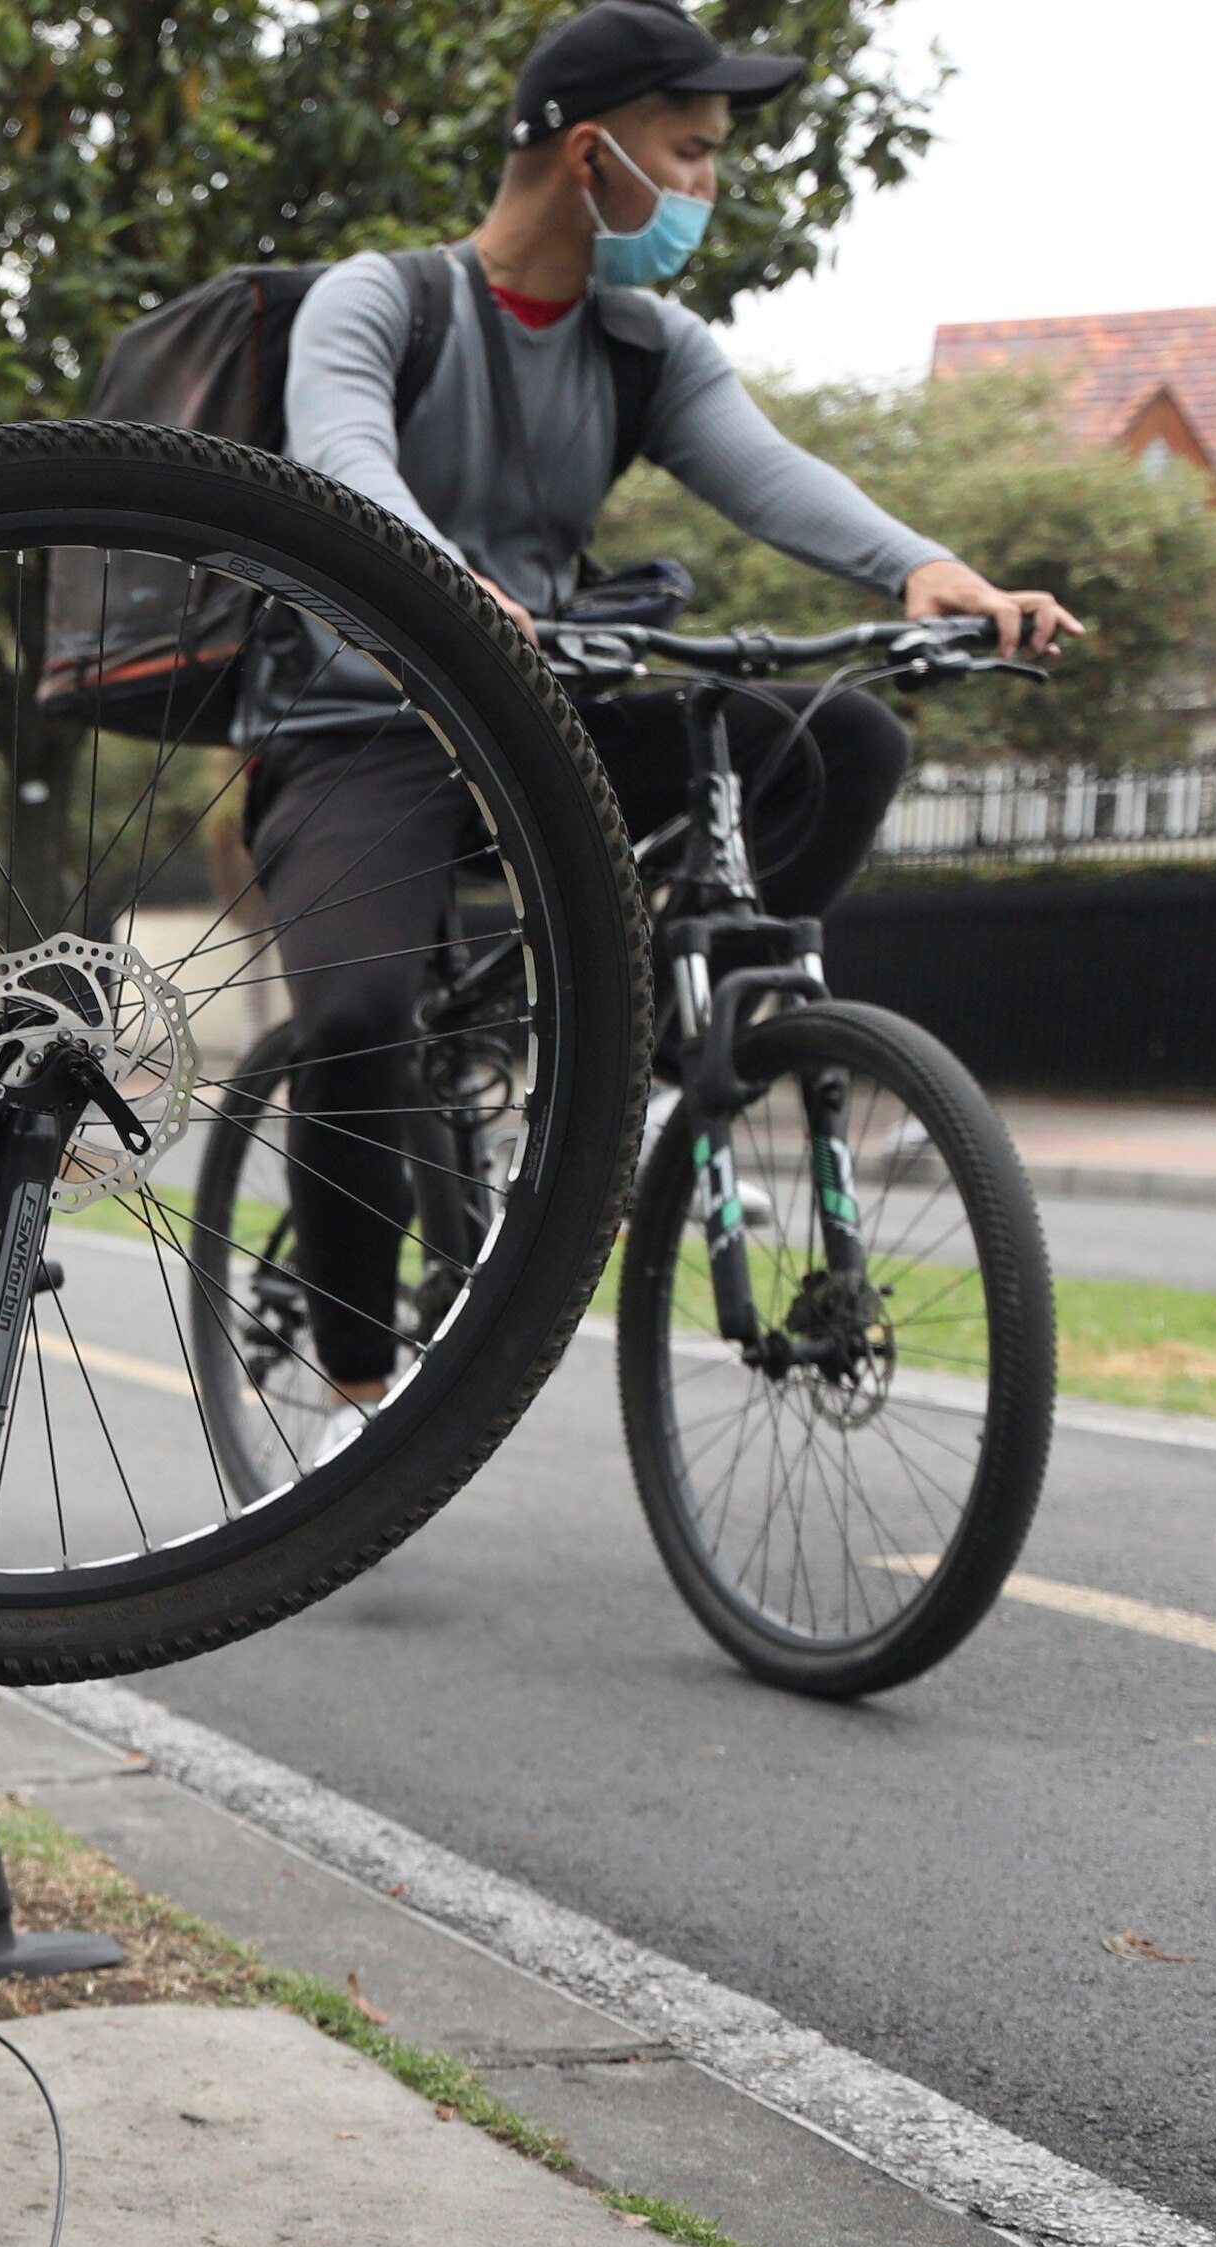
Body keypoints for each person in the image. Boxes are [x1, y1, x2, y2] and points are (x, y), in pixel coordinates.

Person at [246, 0, 1085, 1403]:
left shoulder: (647, 348)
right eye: (690, 154)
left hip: (546, 709)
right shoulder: (380, 302)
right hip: (362, 723)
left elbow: (768, 472)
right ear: (592, 158)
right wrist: (446, 588)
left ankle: (637, 1074)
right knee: (357, 1020)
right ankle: (354, 1376)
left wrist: (928, 570)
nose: (706, 187)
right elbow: (341, 465)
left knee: (847, 741)